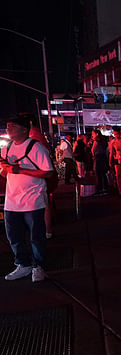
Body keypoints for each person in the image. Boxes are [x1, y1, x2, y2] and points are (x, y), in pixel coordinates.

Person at [0, 116, 56, 282]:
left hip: (32, 199)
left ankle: (38, 266)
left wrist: (20, 171)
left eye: (12, 126)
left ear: (24, 129)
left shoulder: (35, 147)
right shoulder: (7, 148)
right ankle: (23, 264)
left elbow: (48, 172)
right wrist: (6, 170)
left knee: (36, 237)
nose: (8, 129)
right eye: (7, 126)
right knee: (14, 237)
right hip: (12, 200)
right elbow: (4, 170)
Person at [89, 128, 109, 195]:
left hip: (98, 158)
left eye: (93, 134)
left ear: (97, 134)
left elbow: (93, 150)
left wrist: (93, 156)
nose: (92, 135)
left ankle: (100, 188)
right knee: (103, 173)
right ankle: (105, 188)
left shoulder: (96, 141)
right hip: (103, 157)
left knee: (98, 174)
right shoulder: (103, 140)